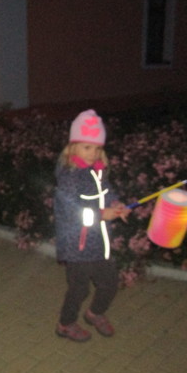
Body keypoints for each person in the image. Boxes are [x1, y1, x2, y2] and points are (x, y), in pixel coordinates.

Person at [53, 109, 131, 342]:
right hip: (77, 246)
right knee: (79, 289)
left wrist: (116, 205)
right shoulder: (69, 177)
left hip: (99, 243)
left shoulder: (97, 172)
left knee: (109, 283)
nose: (93, 153)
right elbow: (71, 212)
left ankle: (94, 313)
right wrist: (102, 215)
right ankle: (65, 324)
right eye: (87, 147)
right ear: (73, 147)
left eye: (97, 148)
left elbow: (107, 192)